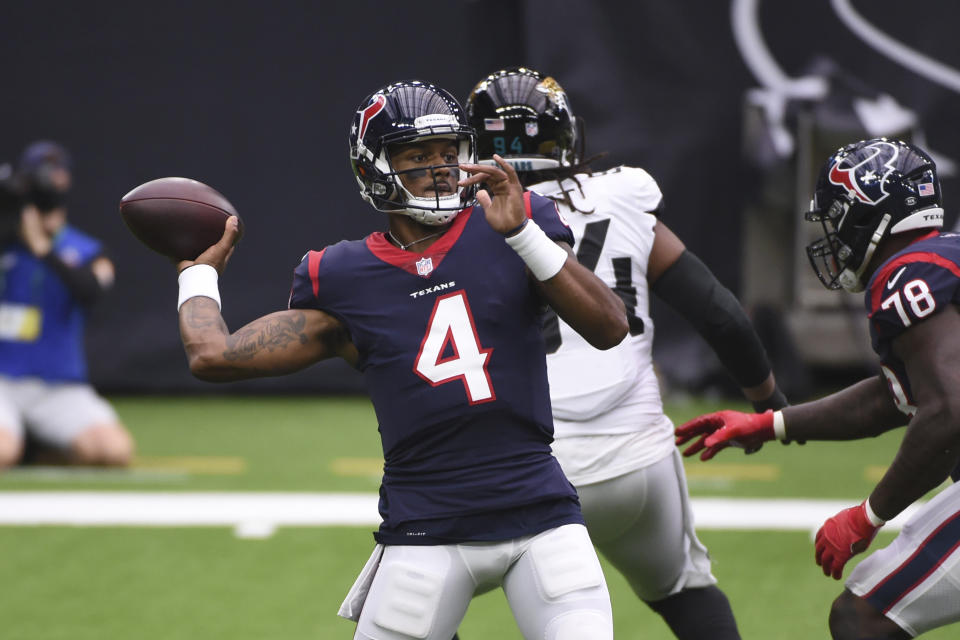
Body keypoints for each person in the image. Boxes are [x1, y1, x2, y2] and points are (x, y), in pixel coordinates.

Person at [173, 80, 629, 639]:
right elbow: (211, 355)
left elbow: (609, 327)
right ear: (374, 169)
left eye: (448, 153)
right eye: (417, 156)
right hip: (426, 529)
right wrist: (197, 273)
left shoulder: (514, 221)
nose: (441, 170)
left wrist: (523, 236)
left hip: (541, 515)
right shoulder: (341, 275)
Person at [463, 67, 787, 640]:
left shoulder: (464, 221)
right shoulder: (620, 193)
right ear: (563, 135)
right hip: (638, 460)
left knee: (418, 601)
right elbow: (718, 311)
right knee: (688, 595)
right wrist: (769, 404)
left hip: (529, 466)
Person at [676, 137, 960, 639]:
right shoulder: (943, 261)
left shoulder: (908, 276)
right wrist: (774, 423)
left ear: (871, 215)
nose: (836, 237)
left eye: (840, 219)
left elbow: (947, 409)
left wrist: (868, 517)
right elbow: (893, 397)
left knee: (862, 615)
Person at [0, 141, 133, 468]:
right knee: (2, 451)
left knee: (113, 452)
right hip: (3, 380)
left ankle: (35, 445)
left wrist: (45, 250)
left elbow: (91, 291)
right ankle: (18, 444)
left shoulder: (89, 251)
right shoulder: (6, 244)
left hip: (58, 386)